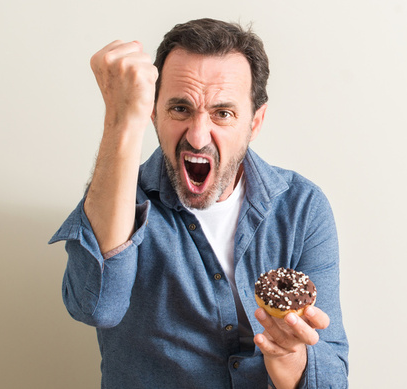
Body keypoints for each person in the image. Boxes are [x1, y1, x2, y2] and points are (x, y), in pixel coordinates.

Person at [49, 18, 348, 389]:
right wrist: (121, 120)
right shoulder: (120, 200)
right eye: (180, 109)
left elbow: (331, 381)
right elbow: (94, 306)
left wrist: (289, 356)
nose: (197, 134)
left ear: (255, 122)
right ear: (154, 113)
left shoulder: (301, 208)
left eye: (222, 113)